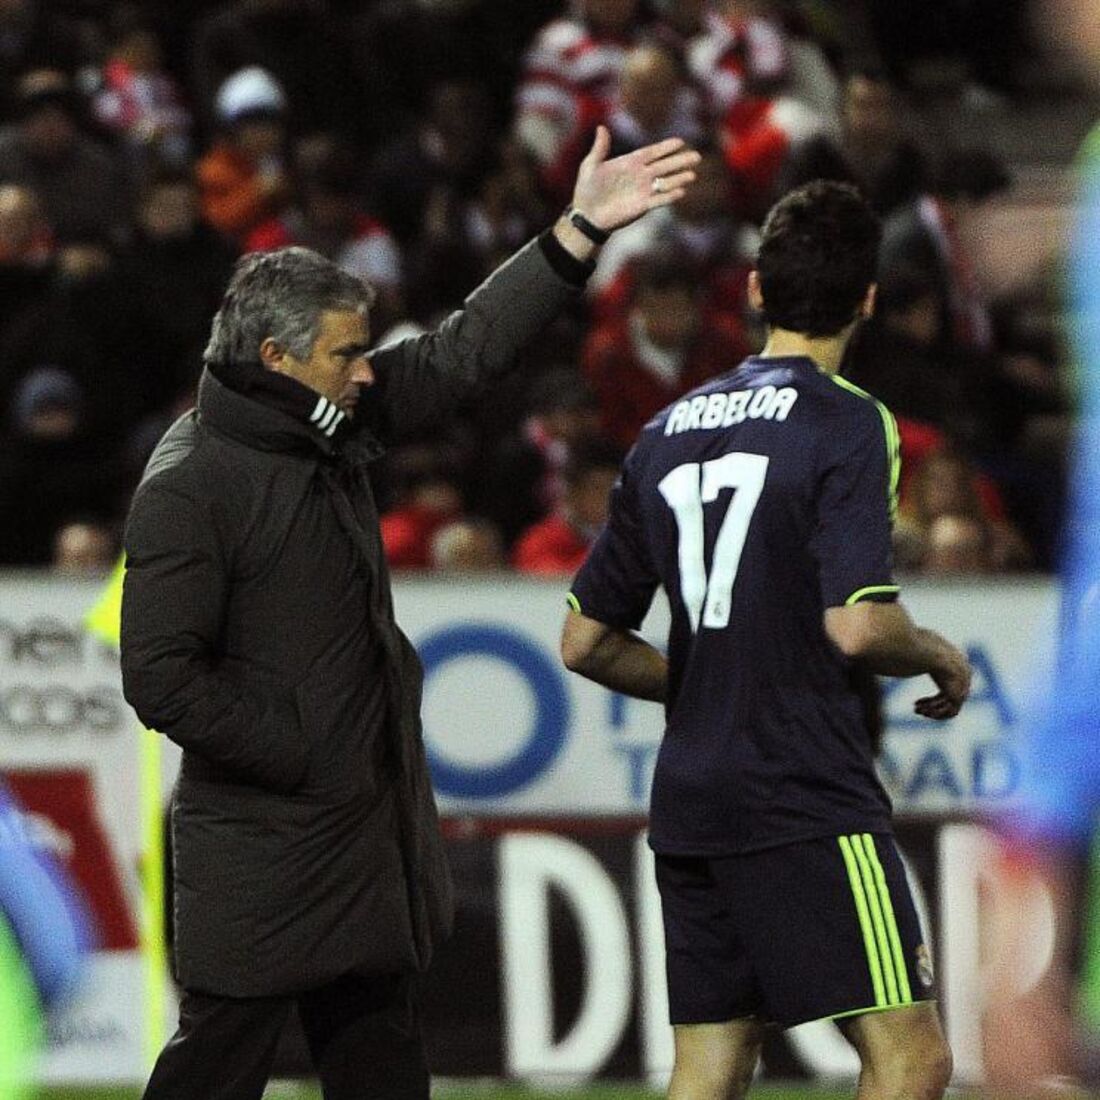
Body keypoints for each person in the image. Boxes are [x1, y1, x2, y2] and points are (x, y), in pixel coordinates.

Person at [119, 127, 700, 1100]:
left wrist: (576, 232)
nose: (364, 371)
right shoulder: (193, 482)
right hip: (266, 845)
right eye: (346, 353)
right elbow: (161, 673)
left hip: (358, 837)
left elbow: (462, 349)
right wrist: (302, 745)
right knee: (215, 1067)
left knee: (381, 1063)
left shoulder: (325, 421)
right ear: (275, 355)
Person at [560, 180, 971, 1099]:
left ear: (754, 290)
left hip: (692, 795)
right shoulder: (849, 420)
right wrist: (940, 653)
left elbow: (584, 641)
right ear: (867, 299)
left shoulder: (663, 434)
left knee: (710, 1063)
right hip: (802, 787)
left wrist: (706, 685)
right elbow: (859, 624)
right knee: (912, 1055)